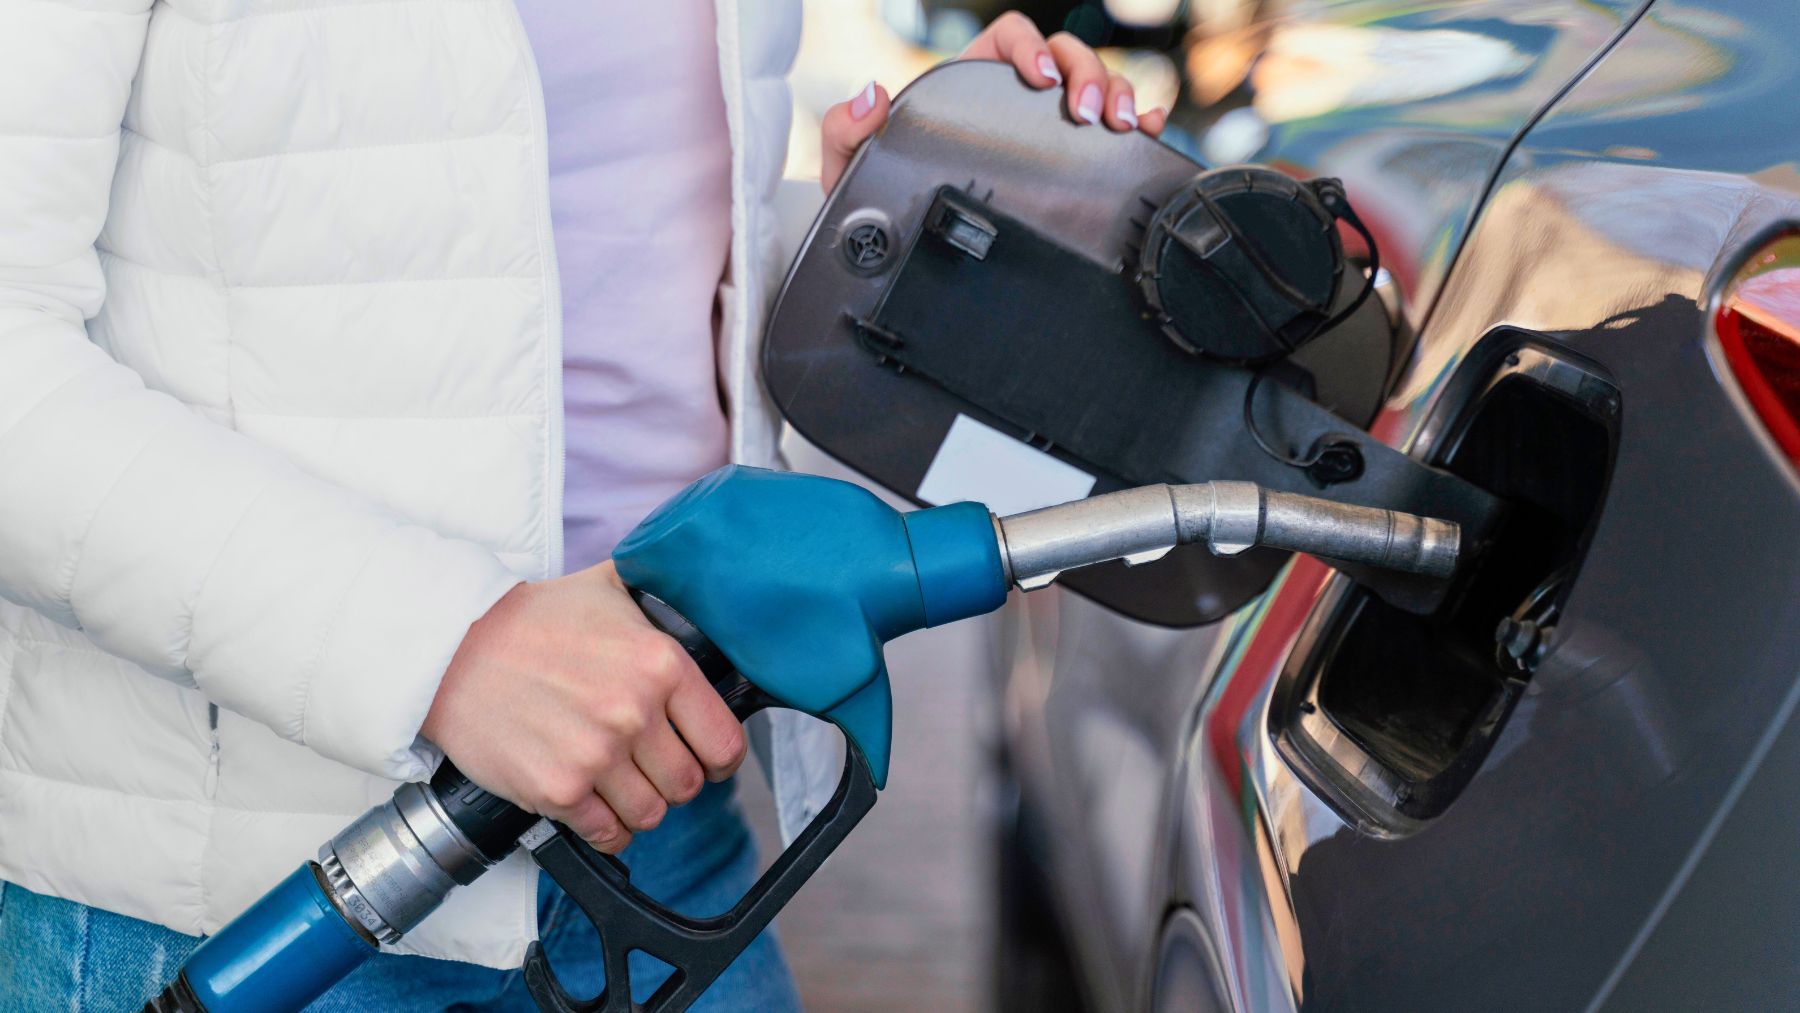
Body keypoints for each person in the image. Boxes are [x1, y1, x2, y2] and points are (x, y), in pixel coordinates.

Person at [0, 2, 1162, 1008]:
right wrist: (450, 649)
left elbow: (605, 306)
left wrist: (881, 246)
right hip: (255, 890)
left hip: (658, 822)